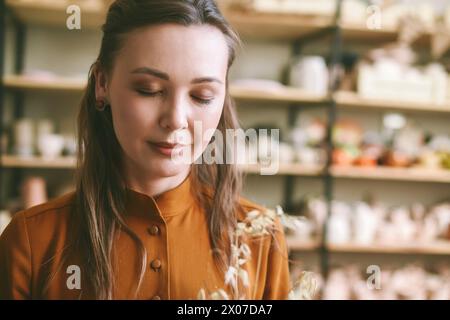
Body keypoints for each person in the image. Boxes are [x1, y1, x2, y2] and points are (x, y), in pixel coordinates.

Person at [0, 0, 290, 300]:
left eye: (202, 96)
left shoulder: (260, 238)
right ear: (103, 83)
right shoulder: (31, 241)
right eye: (148, 90)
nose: (176, 119)